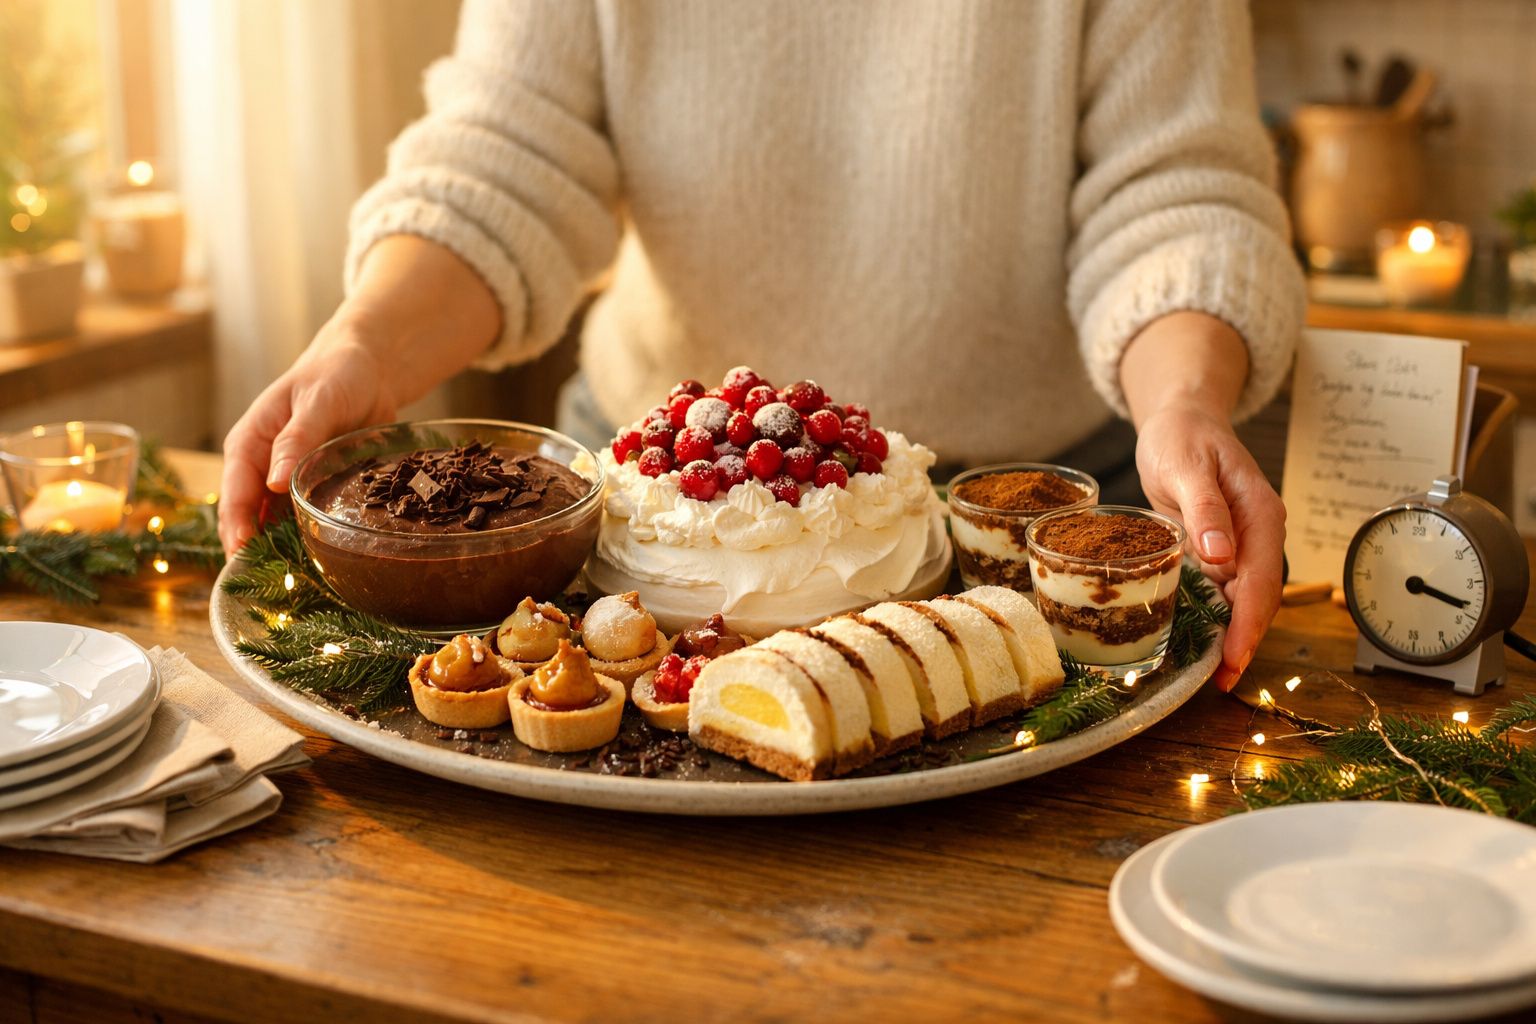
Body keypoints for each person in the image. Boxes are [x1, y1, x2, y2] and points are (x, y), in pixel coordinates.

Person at [219, 0, 1304, 694]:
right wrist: (365, 340)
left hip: (1021, 518)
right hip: (641, 508)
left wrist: (1186, 402)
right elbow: (503, 158)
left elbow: (1175, 191)